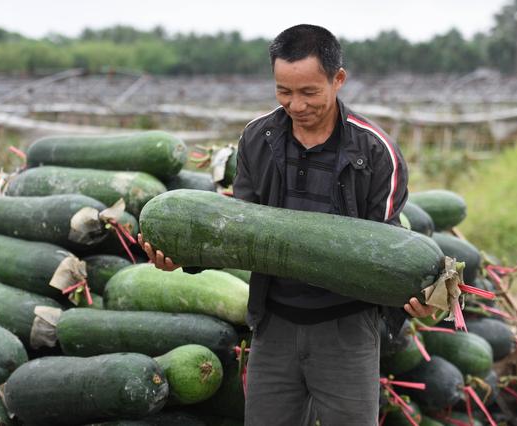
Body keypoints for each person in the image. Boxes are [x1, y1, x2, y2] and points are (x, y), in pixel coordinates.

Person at [139, 24, 435, 426]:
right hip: (274, 324)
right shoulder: (257, 138)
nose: (296, 105)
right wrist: (184, 259)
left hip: (346, 330)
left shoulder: (375, 151)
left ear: (338, 79)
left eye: (309, 92)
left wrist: (416, 299)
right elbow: (235, 232)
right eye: (284, 91)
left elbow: (389, 251)